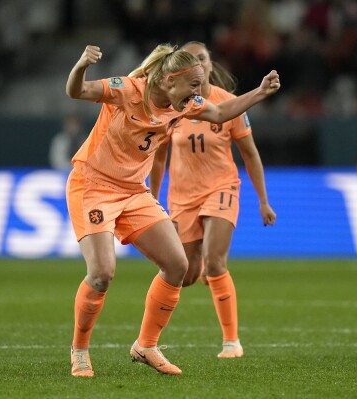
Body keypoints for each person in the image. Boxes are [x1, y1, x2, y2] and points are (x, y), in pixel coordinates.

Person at [65, 43, 280, 377]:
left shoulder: (185, 105)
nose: (199, 92)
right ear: (168, 81)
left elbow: (222, 113)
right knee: (102, 273)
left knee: (178, 264)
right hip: (93, 186)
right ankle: (79, 351)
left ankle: (146, 345)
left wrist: (260, 92)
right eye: (193, 85)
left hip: (133, 191)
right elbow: (76, 90)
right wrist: (81, 65)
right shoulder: (128, 90)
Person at [149, 41, 276, 359]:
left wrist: (263, 200)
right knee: (187, 274)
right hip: (182, 197)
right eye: (192, 61)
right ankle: (149, 338)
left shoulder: (229, 104)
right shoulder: (171, 108)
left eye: (203, 59)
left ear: (208, 64)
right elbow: (158, 158)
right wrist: (151, 196)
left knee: (216, 261)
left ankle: (231, 342)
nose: (199, 65)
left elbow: (250, 153)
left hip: (221, 187)